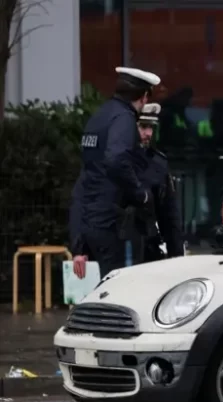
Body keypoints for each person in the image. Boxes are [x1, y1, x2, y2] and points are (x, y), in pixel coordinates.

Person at [69, 66, 161, 278]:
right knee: (117, 289)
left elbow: (84, 184)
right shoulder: (124, 119)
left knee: (106, 286)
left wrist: (79, 244)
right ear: (144, 96)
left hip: (91, 223)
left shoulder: (99, 117)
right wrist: (140, 194)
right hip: (112, 223)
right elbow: (116, 159)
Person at [136, 103, 185, 263]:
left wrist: (176, 257)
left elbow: (170, 216)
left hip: (149, 248)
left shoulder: (158, 163)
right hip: (118, 247)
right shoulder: (113, 159)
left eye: (151, 127)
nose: (148, 133)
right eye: (143, 127)